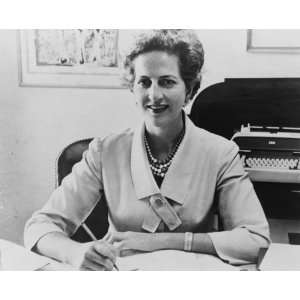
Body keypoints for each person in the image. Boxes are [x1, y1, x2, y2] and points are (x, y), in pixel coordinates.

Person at [24, 29, 270, 270]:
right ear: (133, 88)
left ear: (190, 89)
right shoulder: (104, 150)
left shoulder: (221, 153)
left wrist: (156, 242)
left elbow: (255, 240)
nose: (154, 95)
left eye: (167, 82)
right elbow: (39, 226)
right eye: (144, 82)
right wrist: (74, 252)